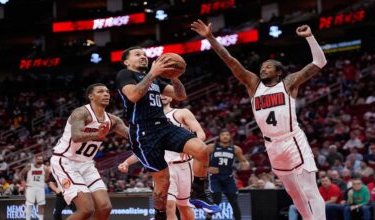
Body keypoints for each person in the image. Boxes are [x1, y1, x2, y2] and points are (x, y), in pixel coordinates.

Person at [191, 20, 327, 219]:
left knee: (309, 189)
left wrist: (310, 37)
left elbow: (319, 62)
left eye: (269, 66)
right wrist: (211, 38)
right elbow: (230, 61)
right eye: (262, 66)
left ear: (278, 72)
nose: (263, 69)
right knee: (294, 194)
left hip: (292, 140)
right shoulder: (254, 85)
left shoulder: (288, 83)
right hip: (271, 146)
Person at [116, 47, 220, 219]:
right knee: (163, 182)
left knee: (201, 149)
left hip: (164, 126)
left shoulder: (156, 80)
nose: (143, 57)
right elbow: (134, 95)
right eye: (137, 55)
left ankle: (199, 193)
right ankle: (160, 214)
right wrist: (153, 72)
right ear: (127, 62)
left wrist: (175, 78)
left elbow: (180, 96)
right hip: (144, 131)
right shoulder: (125, 74)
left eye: (144, 54)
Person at [120, 94, 207, 220]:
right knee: (168, 206)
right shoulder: (147, 121)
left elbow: (201, 134)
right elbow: (145, 149)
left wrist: (190, 147)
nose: (163, 96)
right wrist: (127, 162)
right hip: (163, 168)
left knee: (184, 206)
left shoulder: (181, 113)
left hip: (184, 166)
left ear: (172, 97)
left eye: (166, 93)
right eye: (159, 93)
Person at [50, 83, 129, 220]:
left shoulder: (113, 120)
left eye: (107, 92)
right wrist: (97, 135)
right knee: (86, 209)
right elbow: (76, 136)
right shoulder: (81, 113)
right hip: (65, 161)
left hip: (86, 164)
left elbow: (133, 136)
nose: (106, 94)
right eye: (100, 91)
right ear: (90, 96)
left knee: (105, 207)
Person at [206, 129, 250, 220]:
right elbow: (200, 158)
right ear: (219, 137)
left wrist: (245, 165)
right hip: (215, 178)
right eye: (223, 135)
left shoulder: (236, 149)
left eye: (227, 135)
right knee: (216, 201)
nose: (225, 136)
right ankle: (208, 218)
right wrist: (208, 168)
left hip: (228, 178)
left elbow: (245, 162)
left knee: (234, 201)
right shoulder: (211, 147)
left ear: (230, 137)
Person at [20, 154, 50, 220]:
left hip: (40, 188)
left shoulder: (45, 168)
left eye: (41, 159)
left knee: (41, 205)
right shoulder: (29, 166)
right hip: (30, 188)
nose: (40, 160)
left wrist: (42, 181)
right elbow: (22, 173)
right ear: (35, 159)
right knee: (29, 205)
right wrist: (23, 182)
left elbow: (47, 179)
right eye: (38, 159)